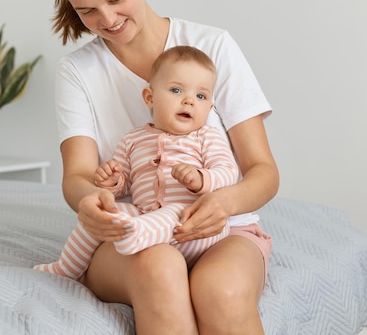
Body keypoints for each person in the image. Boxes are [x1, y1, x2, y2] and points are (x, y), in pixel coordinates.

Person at [50, 0, 279, 334]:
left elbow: (263, 172)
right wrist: (89, 200)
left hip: (223, 229)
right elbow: (78, 178)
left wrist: (222, 205)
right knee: (160, 266)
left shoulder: (213, 47)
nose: (108, 19)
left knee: (221, 290)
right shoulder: (77, 72)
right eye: (87, 10)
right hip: (136, 233)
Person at [35, 46, 239, 280]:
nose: (189, 101)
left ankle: (136, 236)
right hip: (144, 214)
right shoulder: (133, 139)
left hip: (196, 226)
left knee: (175, 211)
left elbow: (228, 171)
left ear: (209, 107)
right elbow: (125, 184)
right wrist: (112, 182)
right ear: (150, 98)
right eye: (176, 90)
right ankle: (66, 269)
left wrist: (202, 179)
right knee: (104, 213)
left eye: (201, 96)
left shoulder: (206, 136)